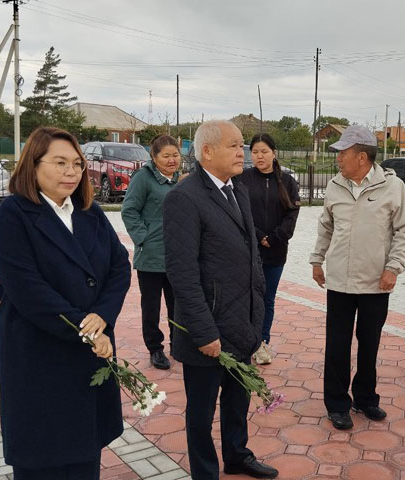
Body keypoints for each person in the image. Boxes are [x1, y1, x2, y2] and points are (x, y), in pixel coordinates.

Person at [0, 127, 131, 479]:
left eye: (77, 164)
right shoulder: (13, 216)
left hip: (89, 350)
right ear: (32, 166)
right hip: (39, 354)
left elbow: (118, 265)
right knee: (44, 456)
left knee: (85, 450)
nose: (72, 172)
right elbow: (28, 290)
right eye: (60, 163)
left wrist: (102, 315)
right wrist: (86, 327)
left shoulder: (88, 211)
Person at [163, 120, 278, 480]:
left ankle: (237, 455)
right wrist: (203, 332)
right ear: (208, 151)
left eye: (242, 145)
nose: (242, 153)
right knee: (200, 413)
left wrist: (257, 316)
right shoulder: (184, 198)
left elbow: (251, 257)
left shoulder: (237, 189)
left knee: (236, 401)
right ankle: (205, 472)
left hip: (241, 323)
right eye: (234, 146)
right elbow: (182, 273)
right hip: (208, 329)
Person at [310, 125, 405, 430]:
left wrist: (393, 268)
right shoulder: (334, 186)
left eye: (344, 152)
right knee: (337, 345)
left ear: (363, 157)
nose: (339, 158)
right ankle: (337, 403)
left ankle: (366, 398)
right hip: (340, 282)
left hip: (376, 282)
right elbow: (326, 227)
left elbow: (404, 231)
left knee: (370, 344)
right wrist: (317, 261)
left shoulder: (393, 188)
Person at [238, 133, 300, 365]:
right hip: (247, 250)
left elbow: (292, 214)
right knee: (246, 297)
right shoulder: (242, 179)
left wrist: (274, 237)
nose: (259, 156)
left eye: (264, 151)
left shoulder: (287, 181)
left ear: (274, 153)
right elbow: (239, 212)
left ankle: (262, 342)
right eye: (255, 152)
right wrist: (258, 235)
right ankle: (245, 341)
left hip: (275, 250)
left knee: (267, 298)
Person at [122, 134, 181, 369]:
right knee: (152, 306)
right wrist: (143, 238)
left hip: (178, 255)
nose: (171, 160)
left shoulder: (180, 179)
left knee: (179, 304)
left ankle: (179, 343)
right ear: (154, 157)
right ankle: (155, 348)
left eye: (175, 155)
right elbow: (129, 210)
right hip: (151, 256)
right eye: (165, 156)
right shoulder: (143, 178)